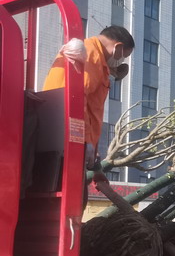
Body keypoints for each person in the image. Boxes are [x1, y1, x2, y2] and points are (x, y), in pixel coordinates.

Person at [43, 26, 134, 169]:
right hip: (67, 140)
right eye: (124, 56)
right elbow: (77, 99)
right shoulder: (91, 56)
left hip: (58, 134)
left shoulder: (92, 54)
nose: (121, 61)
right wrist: (86, 141)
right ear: (118, 47)